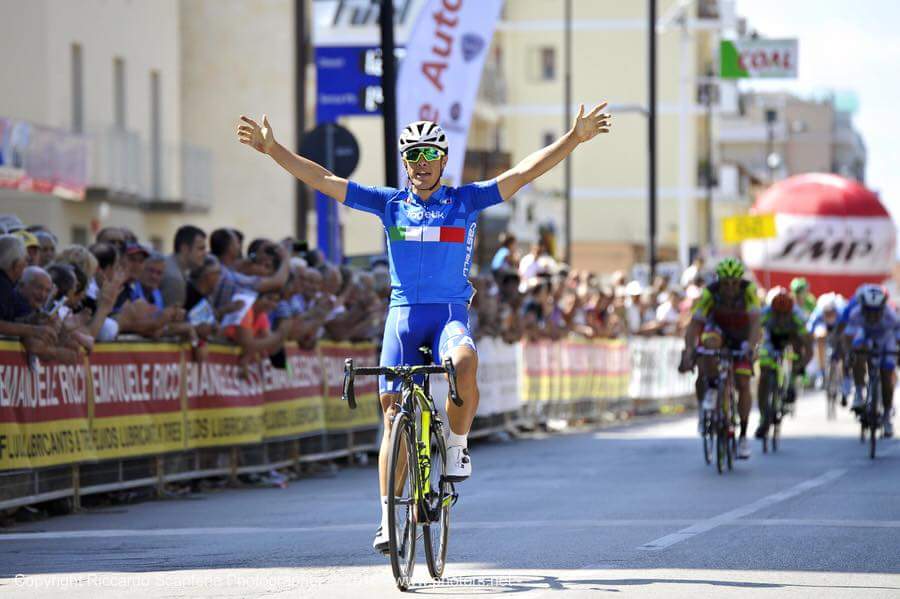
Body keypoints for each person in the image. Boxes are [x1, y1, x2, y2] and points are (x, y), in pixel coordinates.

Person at [238, 101, 612, 552]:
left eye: (429, 155)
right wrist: (275, 149)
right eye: (412, 156)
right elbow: (323, 179)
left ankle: (455, 446)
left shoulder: (465, 201)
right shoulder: (389, 204)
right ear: (405, 163)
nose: (420, 164)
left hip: (449, 316)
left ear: (443, 161)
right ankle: (385, 517)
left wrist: (573, 139)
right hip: (403, 319)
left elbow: (523, 173)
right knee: (392, 415)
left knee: (465, 359)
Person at [679, 258, 761, 460]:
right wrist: (689, 349)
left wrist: (750, 347)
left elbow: (756, 324)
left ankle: (742, 436)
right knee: (708, 346)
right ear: (719, 281)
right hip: (719, 332)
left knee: (743, 382)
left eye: (734, 282)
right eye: (726, 283)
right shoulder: (710, 293)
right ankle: (714, 387)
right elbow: (694, 326)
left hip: (742, 336)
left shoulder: (749, 291)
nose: (730, 288)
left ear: (740, 281)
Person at [755, 288, 813, 441]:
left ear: (789, 312)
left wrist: (802, 365)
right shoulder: (765, 313)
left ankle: (791, 384)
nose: (780, 318)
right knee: (764, 372)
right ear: (772, 311)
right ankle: (763, 418)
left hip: (791, 337)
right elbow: (754, 333)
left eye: (784, 315)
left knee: (797, 349)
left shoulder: (797, 316)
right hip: (771, 339)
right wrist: (754, 351)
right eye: (777, 314)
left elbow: (808, 344)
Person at [846, 285, 896, 437]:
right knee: (857, 352)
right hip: (865, 337)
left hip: (886, 340)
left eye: (877, 311)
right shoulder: (856, 314)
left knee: (887, 374)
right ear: (863, 307)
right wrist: (850, 355)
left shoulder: (891, 317)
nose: (873, 315)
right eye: (869, 310)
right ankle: (860, 391)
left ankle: (887, 415)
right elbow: (848, 337)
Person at [806, 292, 845, 391]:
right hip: (824, 329)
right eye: (826, 313)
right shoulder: (817, 314)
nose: (829, 315)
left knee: (843, 343)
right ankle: (821, 373)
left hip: (838, 329)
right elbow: (809, 329)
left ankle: (843, 375)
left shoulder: (841, 312)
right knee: (820, 337)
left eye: (831, 312)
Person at [160, 225, 207, 308]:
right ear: (184, 248)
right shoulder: (174, 279)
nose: (205, 253)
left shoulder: (170, 264)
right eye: (200, 248)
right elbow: (171, 319)